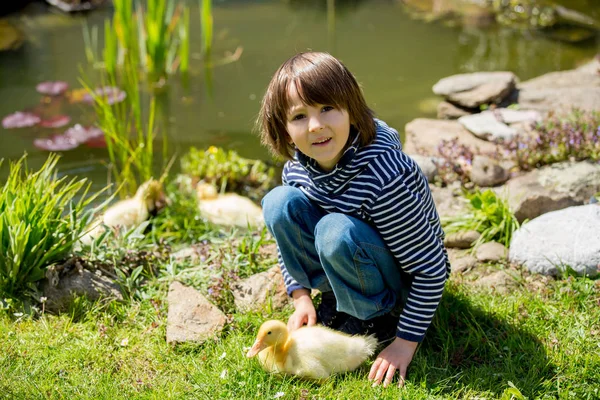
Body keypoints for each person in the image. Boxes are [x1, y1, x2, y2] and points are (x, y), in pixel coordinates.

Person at [257, 52, 450, 388]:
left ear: (351, 109)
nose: (316, 126)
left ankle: (376, 318)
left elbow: (432, 269)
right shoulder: (298, 168)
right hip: (352, 260)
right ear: (286, 132)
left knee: (335, 230)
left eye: (327, 108)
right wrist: (300, 294)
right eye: (299, 116)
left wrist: (405, 343)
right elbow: (288, 238)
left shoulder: (386, 177)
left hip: (401, 283)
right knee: (278, 203)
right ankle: (337, 301)